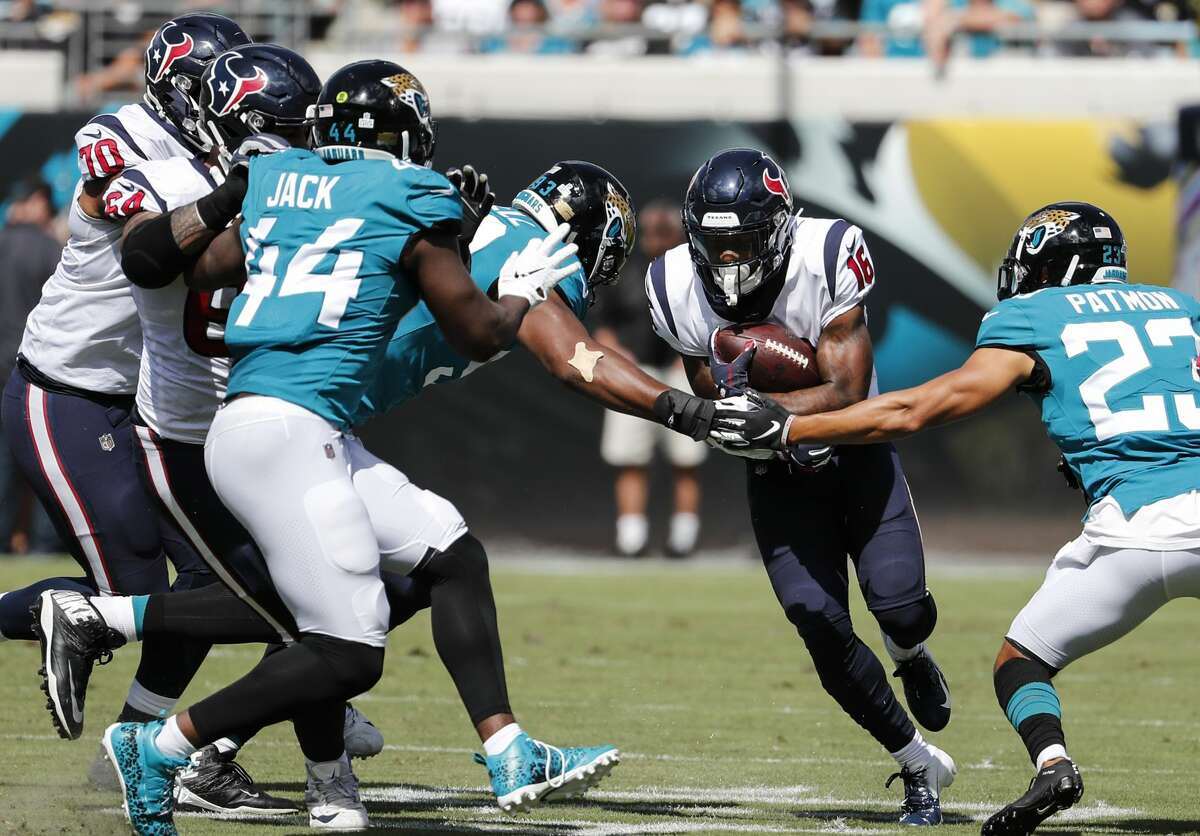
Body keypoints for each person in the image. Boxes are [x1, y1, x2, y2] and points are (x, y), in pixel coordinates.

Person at [92, 59, 605, 836]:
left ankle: (509, 750)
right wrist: (522, 290)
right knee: (347, 650)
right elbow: (476, 329)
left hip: (264, 419)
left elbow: (203, 270)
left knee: (449, 551)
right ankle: (162, 745)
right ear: (409, 138)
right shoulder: (414, 194)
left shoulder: (281, 179)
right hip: (293, 430)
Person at [707, 201, 1200, 834]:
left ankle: (1054, 764)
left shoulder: (1032, 316)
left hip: (1130, 532)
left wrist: (795, 424)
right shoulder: (1183, 309)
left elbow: (917, 409)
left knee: (1021, 662)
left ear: (1058, 265)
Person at [0, 13, 295, 811]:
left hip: (144, 403)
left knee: (206, 585)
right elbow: (156, 243)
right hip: (66, 390)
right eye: (220, 90)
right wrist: (243, 191)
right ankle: (129, 712)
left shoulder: (216, 150)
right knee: (133, 592)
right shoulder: (122, 136)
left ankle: (138, 743)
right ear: (182, 91)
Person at [644, 148, 955, 825]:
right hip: (778, 475)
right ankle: (916, 765)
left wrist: (778, 417)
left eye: (741, 245)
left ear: (780, 230)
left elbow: (845, 389)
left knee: (900, 609)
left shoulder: (829, 251)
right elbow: (714, 399)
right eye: (713, 246)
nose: (725, 264)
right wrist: (741, 422)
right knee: (817, 622)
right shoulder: (672, 282)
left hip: (856, 452)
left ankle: (912, 654)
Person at [592, 199, 707, 557]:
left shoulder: (693, 271)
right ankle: (631, 538)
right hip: (633, 374)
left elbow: (708, 324)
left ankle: (683, 538)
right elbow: (602, 326)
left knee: (685, 460)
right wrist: (617, 357)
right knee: (630, 458)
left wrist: (690, 358)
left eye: (665, 231)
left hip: (682, 374)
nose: (658, 238)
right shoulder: (624, 270)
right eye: (653, 231)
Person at [0, 179, 62, 555]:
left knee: (2, 459)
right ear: (39, 203)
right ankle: (45, 542)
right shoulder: (48, 249)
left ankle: (4, 538)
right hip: (33, 364)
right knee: (44, 455)